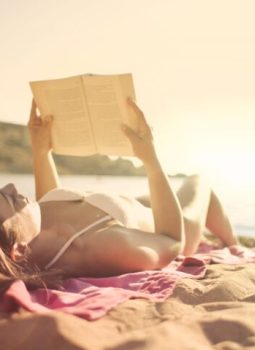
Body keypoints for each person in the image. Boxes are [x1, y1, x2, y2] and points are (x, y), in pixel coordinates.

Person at [0, 99, 237, 290]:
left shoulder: (33, 232)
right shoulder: (100, 247)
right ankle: (234, 245)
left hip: (127, 208)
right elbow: (172, 241)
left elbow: (48, 199)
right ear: (18, 250)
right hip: (173, 224)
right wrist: (150, 159)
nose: (12, 187)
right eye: (9, 199)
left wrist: (40, 149)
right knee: (199, 182)